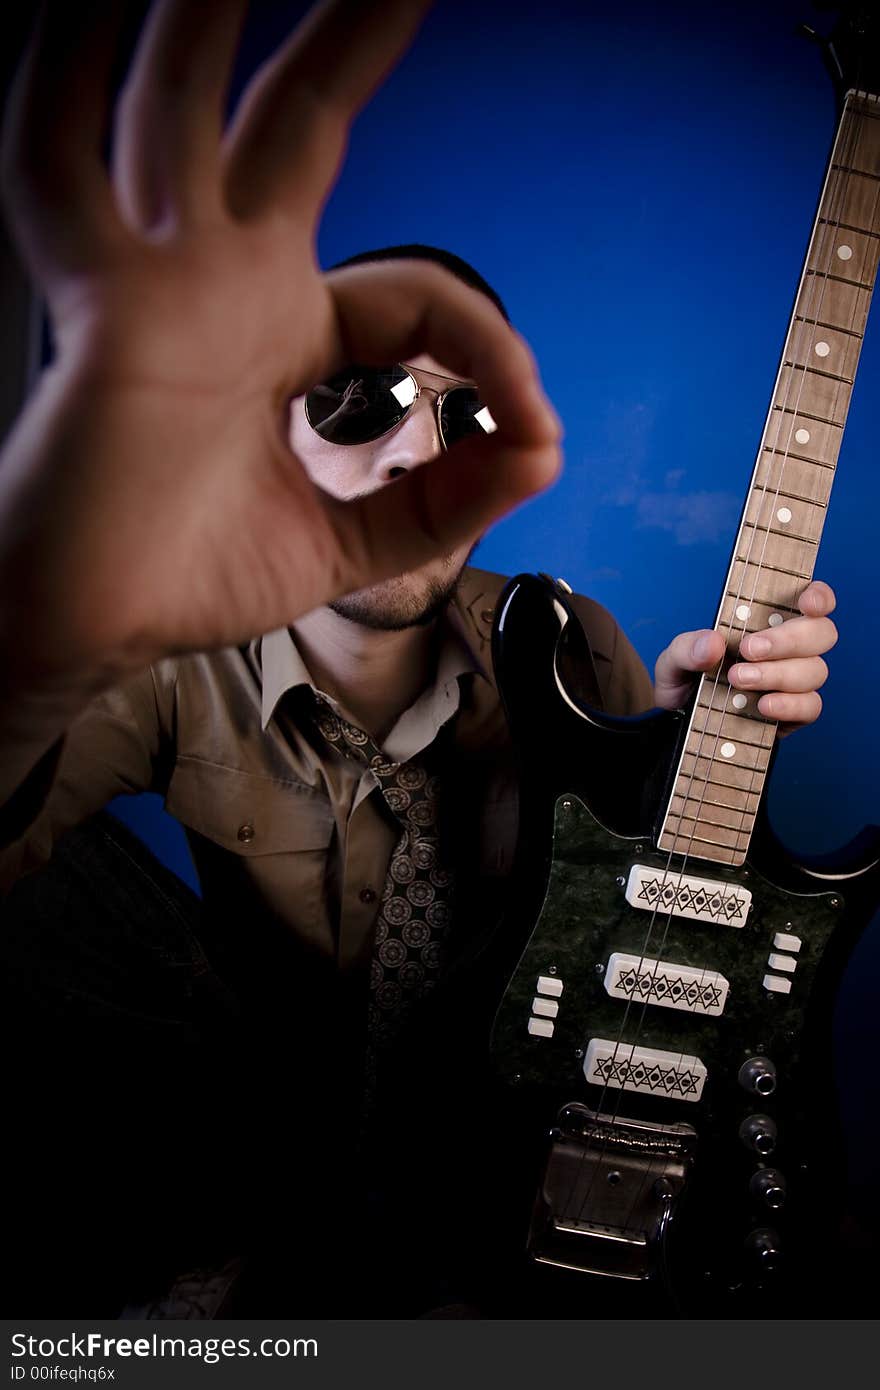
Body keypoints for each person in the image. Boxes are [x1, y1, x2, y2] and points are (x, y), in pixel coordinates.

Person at [0, 2, 838, 1317]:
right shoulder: (170, 656)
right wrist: (38, 622)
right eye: (358, 398)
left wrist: (678, 761)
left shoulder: (569, 646)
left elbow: (646, 979)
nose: (411, 453)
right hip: (250, 1135)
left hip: (484, 1159)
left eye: (465, 418)